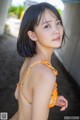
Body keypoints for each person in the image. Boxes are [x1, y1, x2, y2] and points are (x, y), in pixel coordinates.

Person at [10, 2, 68, 120]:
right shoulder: (46, 74)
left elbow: (19, 95)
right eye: (47, 26)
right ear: (33, 35)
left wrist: (51, 99)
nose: (57, 30)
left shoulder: (30, 60)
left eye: (58, 23)